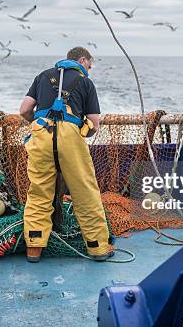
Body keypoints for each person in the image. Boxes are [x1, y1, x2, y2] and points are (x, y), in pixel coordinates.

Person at [19, 46, 113, 262]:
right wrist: (83, 132)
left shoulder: (42, 76)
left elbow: (24, 110)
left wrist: (39, 123)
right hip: (70, 137)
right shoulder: (85, 82)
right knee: (84, 192)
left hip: (41, 133)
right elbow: (95, 124)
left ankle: (34, 248)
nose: (89, 69)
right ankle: (98, 248)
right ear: (82, 60)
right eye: (89, 64)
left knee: (39, 192)